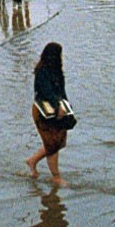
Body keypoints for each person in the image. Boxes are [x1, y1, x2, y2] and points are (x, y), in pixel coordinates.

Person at [26, 41, 72, 183]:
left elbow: (61, 91)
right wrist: (58, 105)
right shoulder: (42, 70)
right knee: (51, 143)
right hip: (42, 111)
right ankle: (56, 176)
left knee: (60, 141)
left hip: (58, 108)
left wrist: (66, 105)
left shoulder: (58, 70)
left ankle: (32, 160)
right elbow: (45, 91)